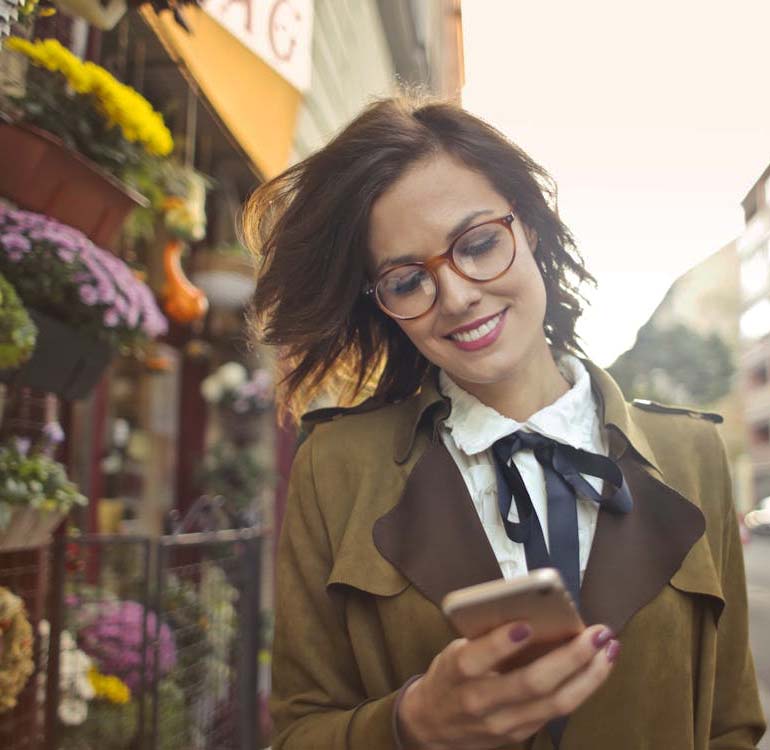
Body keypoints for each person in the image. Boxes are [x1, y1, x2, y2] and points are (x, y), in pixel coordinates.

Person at [243, 96, 766, 749]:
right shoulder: (336, 466)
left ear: (532, 229)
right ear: (384, 306)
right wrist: (412, 723)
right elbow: (298, 732)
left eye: (480, 243)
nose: (458, 296)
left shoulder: (694, 454)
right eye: (408, 281)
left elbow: (732, 725)